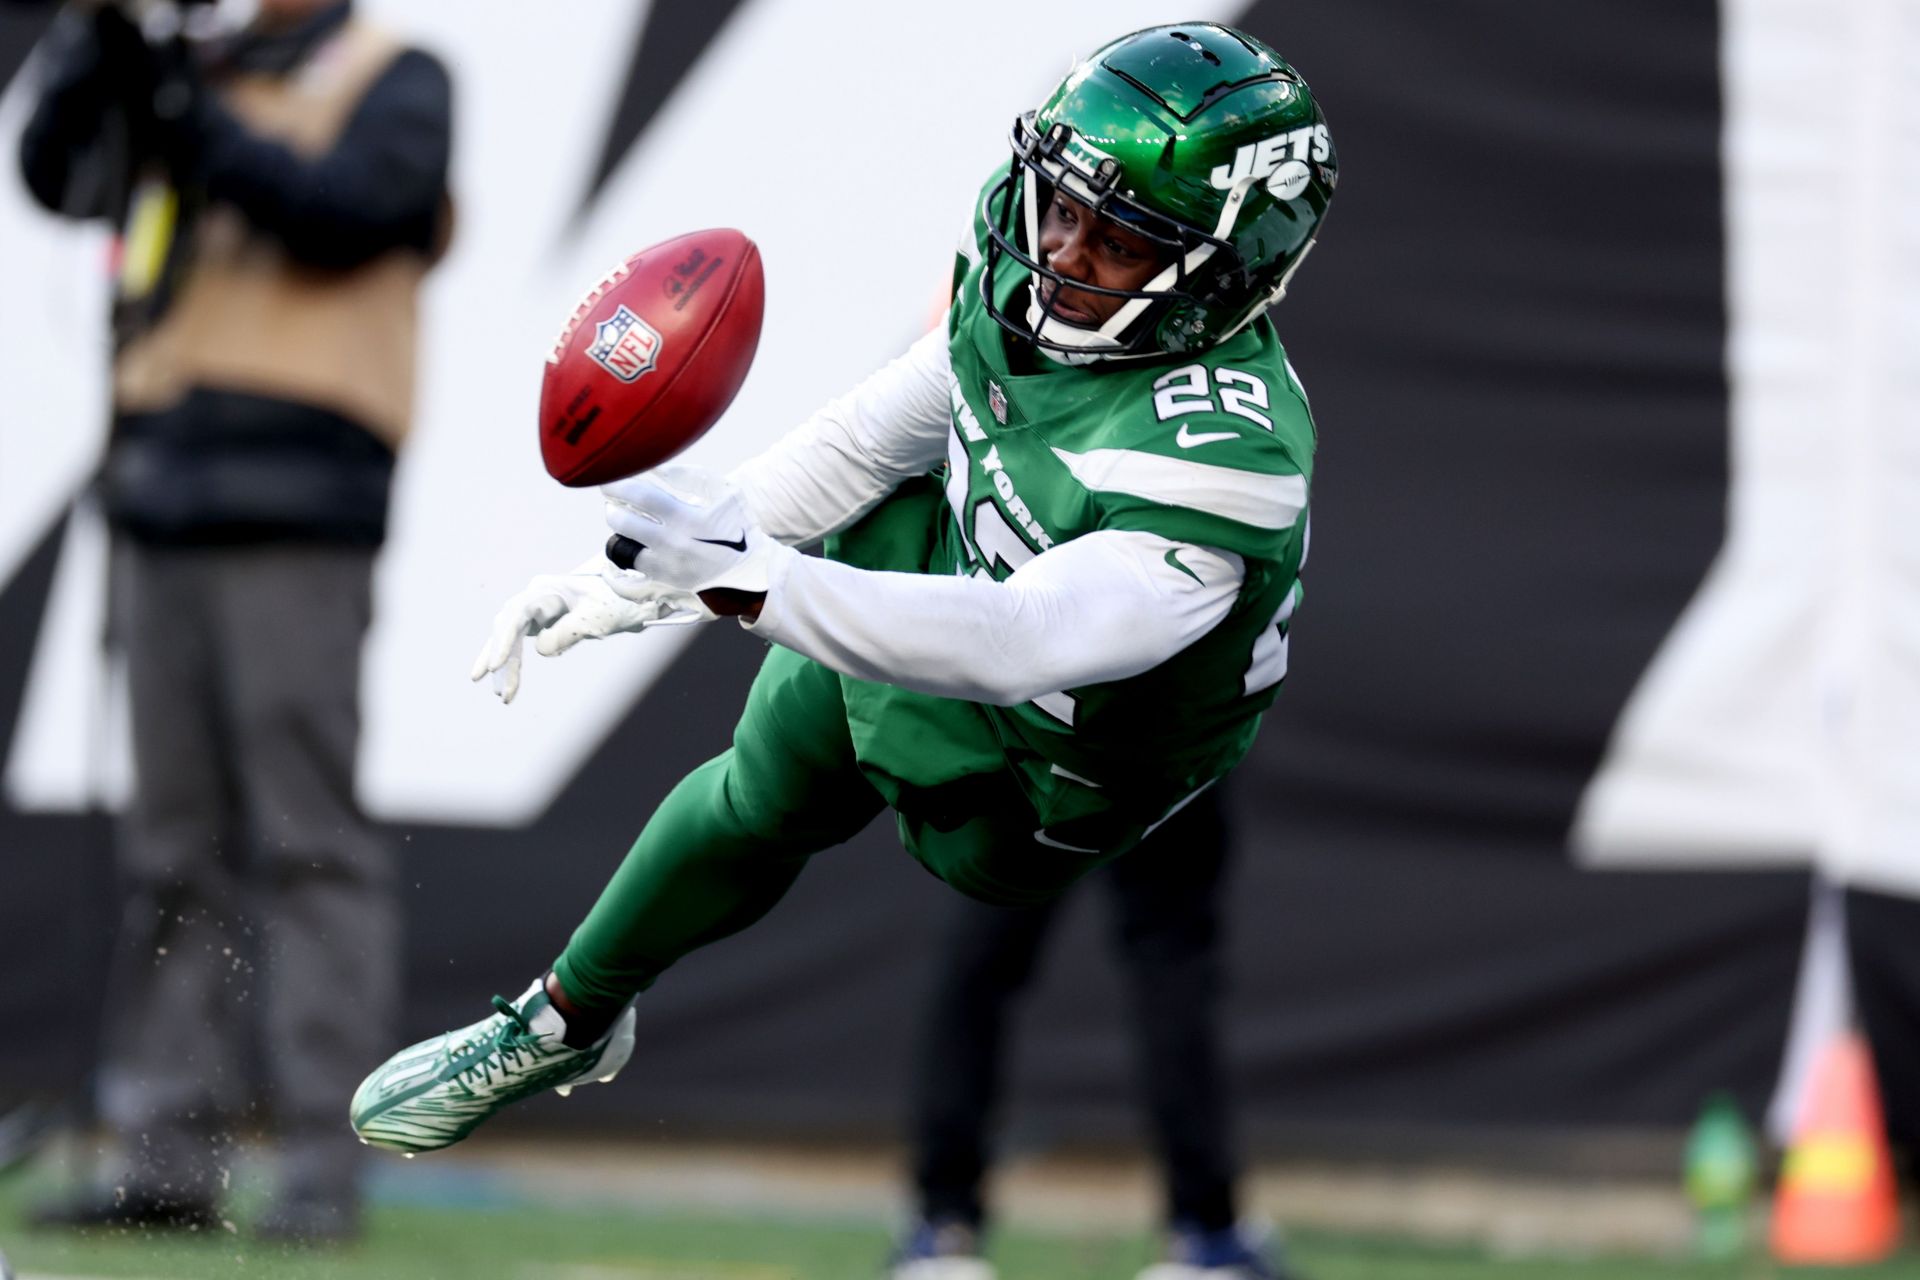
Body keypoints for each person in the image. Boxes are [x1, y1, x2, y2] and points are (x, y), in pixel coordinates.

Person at [352, 23, 1330, 1275]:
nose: (1065, 252)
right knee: (813, 667)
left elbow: (1019, 639)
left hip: (1060, 784)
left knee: (838, 712)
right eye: (1064, 206)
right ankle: (562, 1018)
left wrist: (748, 581)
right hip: (987, 618)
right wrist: (638, 579)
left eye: (1124, 237)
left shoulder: (1224, 460)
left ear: (1223, 271)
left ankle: (1140, 1227)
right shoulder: (1025, 285)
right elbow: (872, 439)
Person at [18, 0, 452, 1243]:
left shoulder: (392, 76)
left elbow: (349, 210)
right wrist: (100, 52)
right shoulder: (182, 71)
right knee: (171, 851)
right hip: (161, 497)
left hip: (296, 507)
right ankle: (167, 1157)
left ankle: (326, 1157)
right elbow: (59, 173)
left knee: (309, 843)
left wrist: (190, 111)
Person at [890, 788, 1291, 1280]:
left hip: (1048, 747)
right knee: (1167, 961)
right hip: (1157, 746)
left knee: (985, 957)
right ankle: (1206, 1236)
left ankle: (942, 1229)